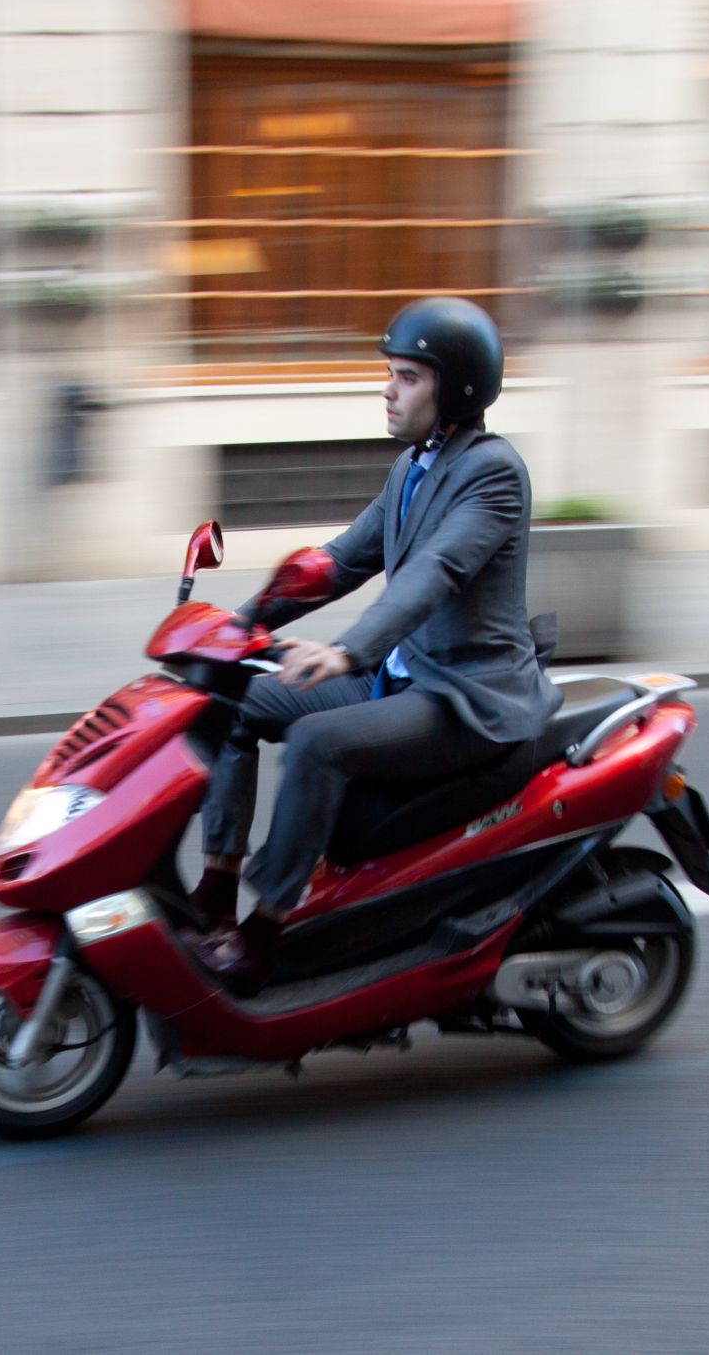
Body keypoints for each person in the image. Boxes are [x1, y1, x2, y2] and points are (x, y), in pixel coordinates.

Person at [188, 297, 562, 990]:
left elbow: (434, 573)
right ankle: (216, 884)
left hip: (464, 695)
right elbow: (336, 562)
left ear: (457, 387)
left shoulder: (493, 473)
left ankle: (265, 930)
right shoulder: (412, 469)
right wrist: (233, 630)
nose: (388, 391)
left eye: (408, 377)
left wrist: (349, 650)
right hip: (402, 674)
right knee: (231, 702)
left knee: (317, 741)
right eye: (390, 373)